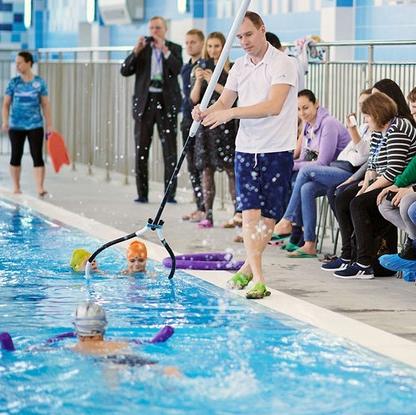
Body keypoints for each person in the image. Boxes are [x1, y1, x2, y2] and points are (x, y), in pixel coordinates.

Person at [192, 11, 298, 298]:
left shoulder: (283, 64)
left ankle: (247, 270)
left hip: (276, 149)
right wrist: (206, 112)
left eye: (249, 34)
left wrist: (230, 114)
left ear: (262, 29)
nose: (244, 41)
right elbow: (225, 102)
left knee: (268, 217)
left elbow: (273, 106)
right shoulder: (239, 66)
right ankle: (259, 278)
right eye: (239, 37)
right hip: (247, 149)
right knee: (249, 214)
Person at [323, 92, 416, 278]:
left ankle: (364, 263)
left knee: (358, 203)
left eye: (367, 116)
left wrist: (366, 191)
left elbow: (393, 172)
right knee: (341, 197)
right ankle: (348, 255)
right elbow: (371, 165)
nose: (365, 120)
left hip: (396, 181)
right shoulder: (378, 131)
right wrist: (364, 187)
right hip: (385, 180)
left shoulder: (398, 128)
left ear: (377, 114)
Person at [274, 90, 371, 257]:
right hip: (333, 169)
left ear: (316, 103)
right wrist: (289, 165)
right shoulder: (308, 126)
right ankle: (309, 243)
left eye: (305, 107)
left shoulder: (329, 123)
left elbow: (322, 162)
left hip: (345, 171)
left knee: (303, 171)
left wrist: (291, 165)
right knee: (306, 188)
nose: (302, 113)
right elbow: (303, 157)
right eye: (298, 109)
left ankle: (287, 220)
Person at [120, 16, 183, 204]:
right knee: (141, 149)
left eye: (158, 28)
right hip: (145, 104)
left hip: (166, 103)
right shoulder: (142, 49)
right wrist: (135, 51)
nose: (154, 31)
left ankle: (170, 194)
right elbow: (125, 70)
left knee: (170, 150)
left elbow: (178, 69)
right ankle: (142, 193)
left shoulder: (174, 48)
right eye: (152, 28)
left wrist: (165, 50)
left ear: (165, 29)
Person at [190, 31, 238, 228]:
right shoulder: (201, 67)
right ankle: (208, 215)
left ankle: (237, 213)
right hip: (207, 127)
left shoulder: (232, 69)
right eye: (209, 46)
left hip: (225, 124)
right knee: (207, 170)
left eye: (217, 46)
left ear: (224, 47)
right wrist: (199, 80)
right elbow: (194, 99)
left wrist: (213, 83)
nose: (213, 50)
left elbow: (233, 96)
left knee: (231, 170)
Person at [71, 302, 180, 375]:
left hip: (104, 360)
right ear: (104, 325)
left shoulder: (74, 348)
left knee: (112, 375)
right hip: (128, 357)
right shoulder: (120, 343)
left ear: (76, 327)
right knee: (167, 370)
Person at [1, 51, 52, 197]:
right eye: (16, 63)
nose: (17, 65)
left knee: (37, 156)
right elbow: (6, 104)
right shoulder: (13, 83)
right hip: (16, 125)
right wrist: (5, 121)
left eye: (19, 63)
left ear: (29, 63)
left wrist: (49, 124)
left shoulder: (39, 82)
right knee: (15, 156)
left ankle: (40, 187)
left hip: (35, 125)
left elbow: (45, 104)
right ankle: (16, 186)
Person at [180, 29, 206, 223]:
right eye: (187, 42)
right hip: (187, 119)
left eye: (193, 42)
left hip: (201, 119)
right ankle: (199, 205)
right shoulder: (186, 67)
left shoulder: (205, 67)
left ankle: (205, 208)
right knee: (191, 165)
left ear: (202, 43)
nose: (189, 46)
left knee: (202, 164)